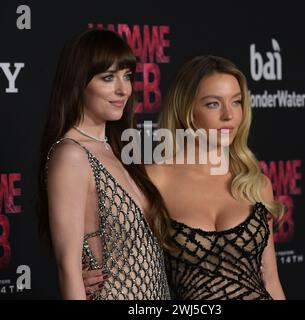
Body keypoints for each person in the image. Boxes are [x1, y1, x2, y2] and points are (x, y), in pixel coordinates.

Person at [83, 55, 286, 300]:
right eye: (213, 104)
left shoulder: (255, 184)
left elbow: (271, 280)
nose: (229, 115)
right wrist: (87, 274)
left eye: (236, 102)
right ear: (187, 110)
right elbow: (115, 257)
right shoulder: (152, 181)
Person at [37, 29, 170, 300]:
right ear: (79, 83)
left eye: (127, 76)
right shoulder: (72, 155)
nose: (123, 89)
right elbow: (68, 268)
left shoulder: (120, 149)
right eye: (108, 77)